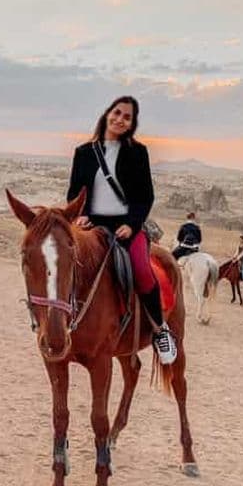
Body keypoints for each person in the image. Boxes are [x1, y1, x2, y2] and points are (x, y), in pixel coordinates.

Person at [66, 96, 176, 365]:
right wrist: (79, 216)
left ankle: (160, 329)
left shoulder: (137, 153)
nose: (120, 119)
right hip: (91, 225)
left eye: (127, 117)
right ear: (107, 114)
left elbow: (145, 196)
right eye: (117, 113)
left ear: (131, 124)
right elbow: (74, 193)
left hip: (126, 227)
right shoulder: (84, 153)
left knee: (141, 269)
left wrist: (133, 224)